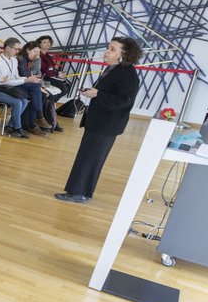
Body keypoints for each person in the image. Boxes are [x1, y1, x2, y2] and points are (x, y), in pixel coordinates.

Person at [55, 37, 142, 203]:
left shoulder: (127, 74)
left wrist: (97, 94)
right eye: (108, 48)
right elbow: (108, 92)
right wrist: (94, 92)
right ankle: (79, 191)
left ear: (123, 54)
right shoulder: (114, 69)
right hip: (100, 121)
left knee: (91, 158)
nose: (107, 52)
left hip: (107, 124)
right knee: (87, 157)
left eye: (112, 49)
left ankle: (79, 193)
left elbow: (124, 100)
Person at [0, 39, 49, 134]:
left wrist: (30, 79)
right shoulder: (0, 61)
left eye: (18, 49)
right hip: (3, 86)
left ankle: (16, 125)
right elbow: (6, 81)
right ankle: (35, 119)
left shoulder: (14, 60)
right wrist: (27, 80)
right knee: (35, 89)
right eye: (16, 49)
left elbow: (17, 76)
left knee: (37, 90)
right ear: (8, 48)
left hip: (13, 84)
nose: (17, 51)